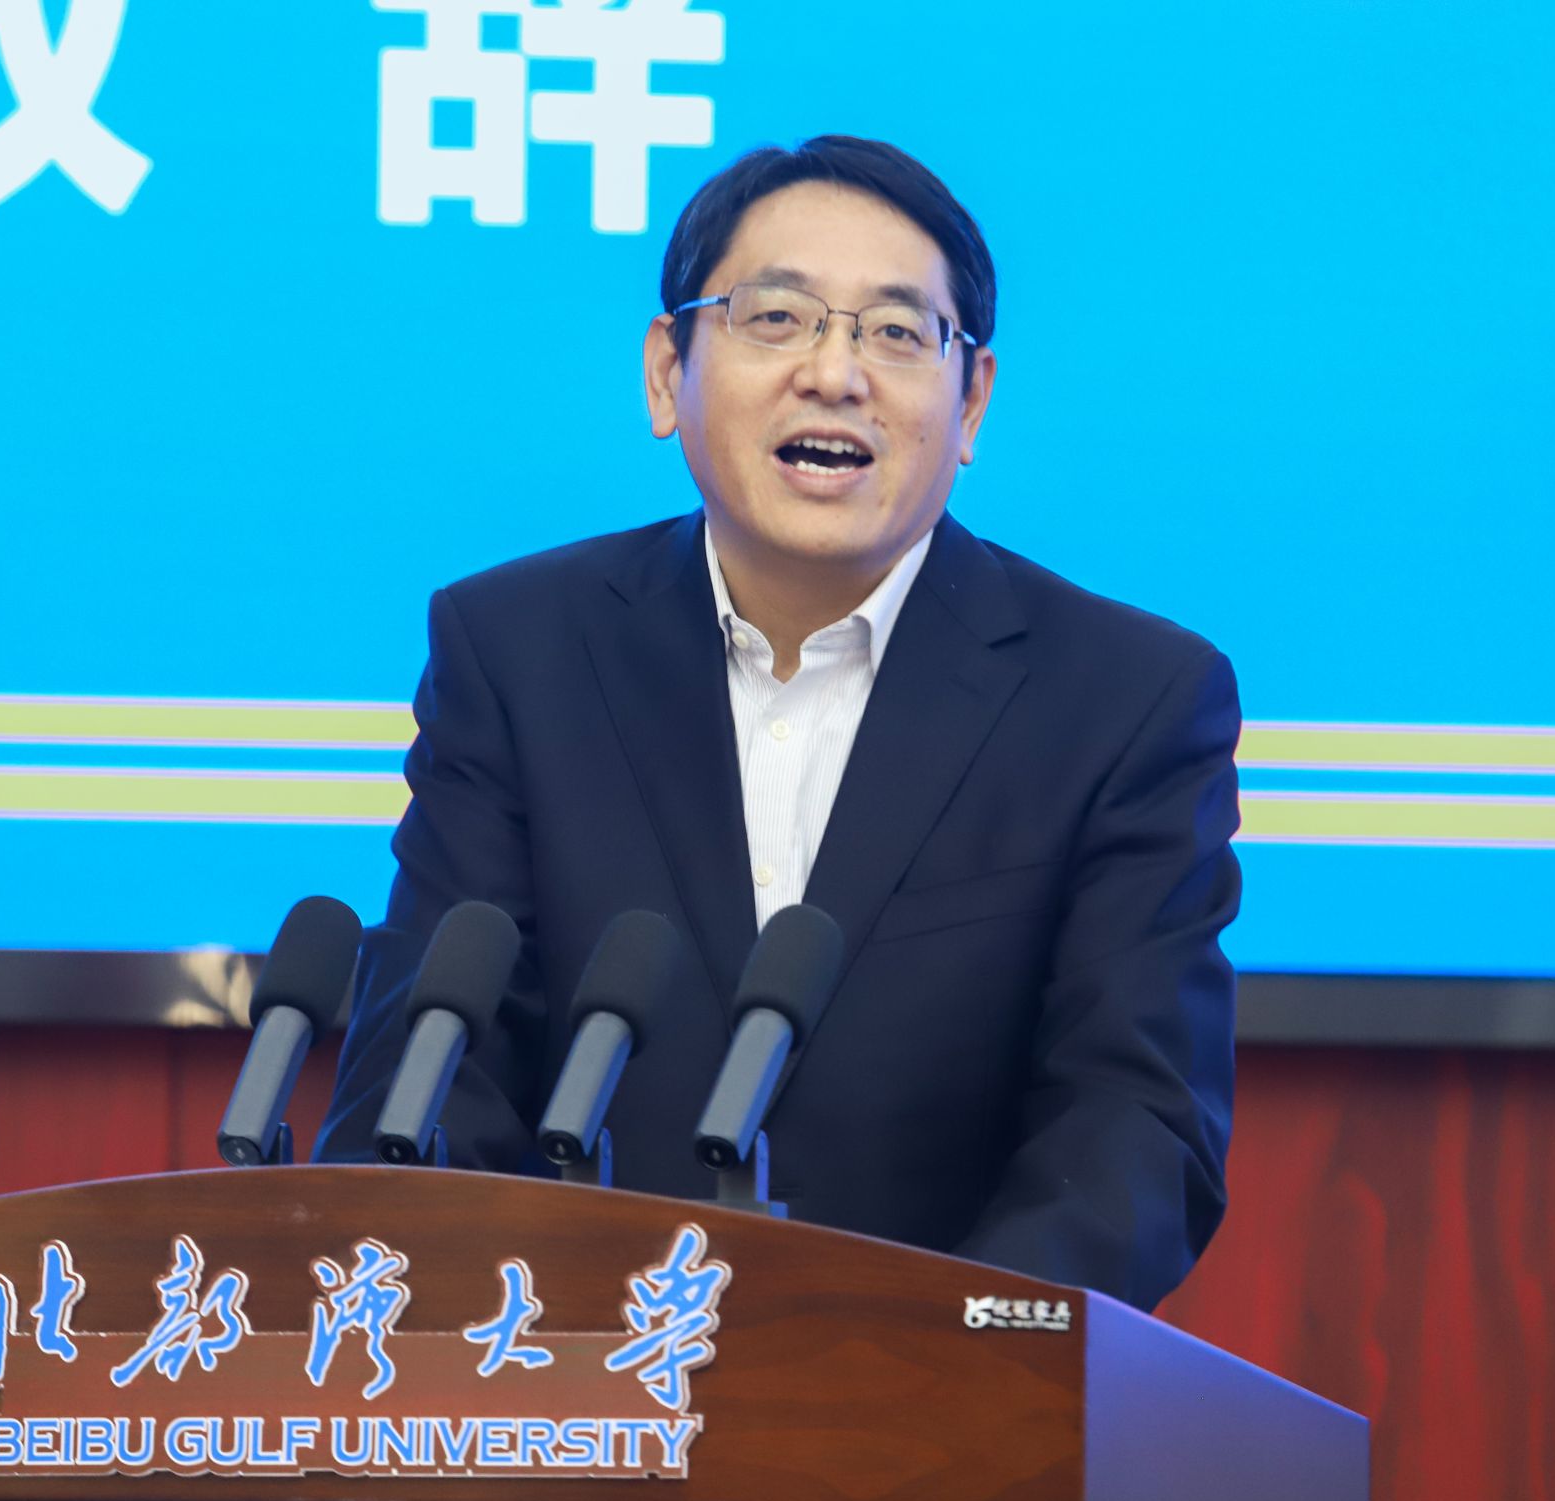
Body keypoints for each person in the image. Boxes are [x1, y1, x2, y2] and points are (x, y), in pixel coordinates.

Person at [315, 135, 1240, 1311]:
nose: (834, 373)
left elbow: (1134, 1127)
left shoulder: (1122, 698)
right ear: (667, 372)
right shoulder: (517, 651)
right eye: (777, 318)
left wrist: (935, 1367)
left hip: (937, 1395)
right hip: (563, 1376)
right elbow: (433, 1068)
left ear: (970, 401)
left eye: (895, 332)